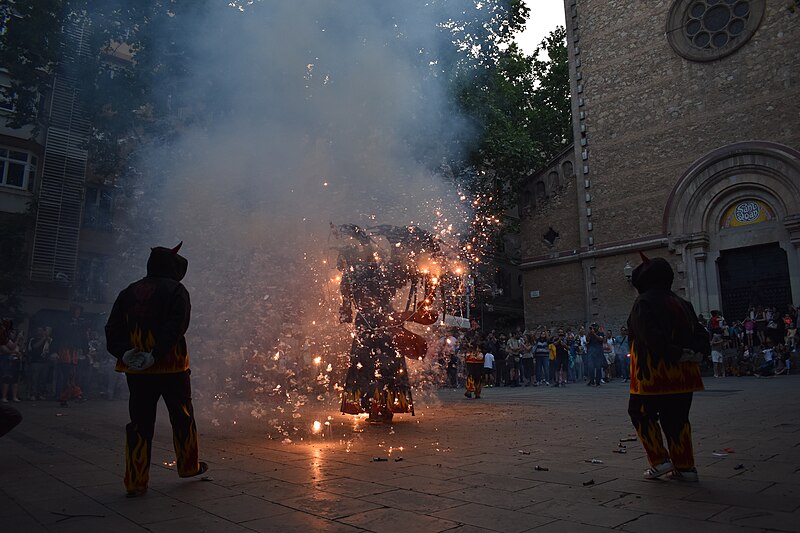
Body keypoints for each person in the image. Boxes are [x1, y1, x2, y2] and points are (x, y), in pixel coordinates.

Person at [105, 242, 207, 497]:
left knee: (139, 423)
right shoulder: (176, 290)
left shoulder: (128, 292)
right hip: (172, 367)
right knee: (183, 416)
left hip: (137, 370)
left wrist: (124, 352)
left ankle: (135, 481)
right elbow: (176, 326)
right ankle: (188, 466)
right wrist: (157, 354)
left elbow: (112, 328)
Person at [626, 253, 706, 482]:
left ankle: (659, 461)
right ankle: (685, 467)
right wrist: (693, 353)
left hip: (654, 374)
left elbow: (650, 337)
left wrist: (673, 353)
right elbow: (700, 334)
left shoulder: (643, 303)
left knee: (641, 413)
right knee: (678, 418)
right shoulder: (682, 303)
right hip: (683, 375)